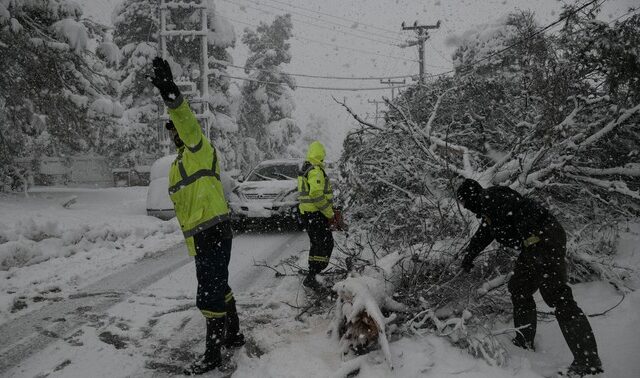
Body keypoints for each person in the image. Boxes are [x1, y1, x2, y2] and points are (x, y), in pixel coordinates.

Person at [149, 57, 244, 375]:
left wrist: (170, 93)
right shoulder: (177, 164)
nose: (173, 132)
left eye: (175, 127)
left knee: (208, 294)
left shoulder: (198, 148)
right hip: (202, 236)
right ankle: (233, 335)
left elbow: (187, 120)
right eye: (171, 130)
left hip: (213, 230)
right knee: (220, 287)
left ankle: (213, 355)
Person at [456, 179, 603, 377]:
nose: (468, 209)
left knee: (557, 296)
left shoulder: (492, 197)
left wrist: (533, 242)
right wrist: (469, 256)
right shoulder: (488, 208)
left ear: (472, 196)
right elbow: (485, 233)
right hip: (533, 244)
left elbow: (520, 210)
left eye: (466, 204)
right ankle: (524, 341)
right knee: (519, 287)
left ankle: (588, 361)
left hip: (543, 240)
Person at [297, 141, 336, 291]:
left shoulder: (306, 168)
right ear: (320, 154)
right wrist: (329, 212)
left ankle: (313, 273)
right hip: (316, 214)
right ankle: (314, 276)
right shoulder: (315, 170)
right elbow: (316, 194)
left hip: (307, 214)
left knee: (316, 244)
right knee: (325, 244)